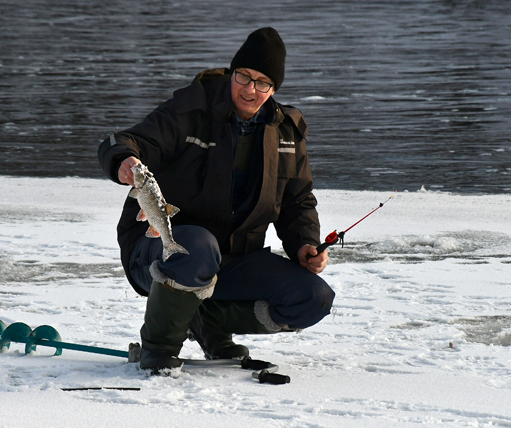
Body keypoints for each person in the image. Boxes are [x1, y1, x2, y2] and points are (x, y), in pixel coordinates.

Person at [98, 27, 335, 372]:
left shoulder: (286, 132)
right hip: (158, 249)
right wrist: (123, 160)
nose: (250, 89)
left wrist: (304, 244)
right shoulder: (193, 108)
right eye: (244, 76)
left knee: (313, 299)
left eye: (263, 82)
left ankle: (207, 321)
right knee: (199, 248)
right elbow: (124, 141)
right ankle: (159, 347)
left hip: (234, 259)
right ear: (232, 72)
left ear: (274, 88)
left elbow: (297, 201)